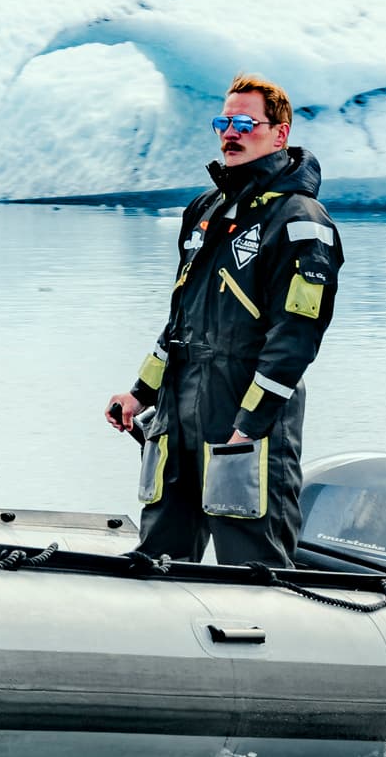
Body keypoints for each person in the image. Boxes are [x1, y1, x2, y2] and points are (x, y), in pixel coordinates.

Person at [105, 75, 342, 565]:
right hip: (178, 418)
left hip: (240, 424)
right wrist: (140, 393)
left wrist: (249, 426)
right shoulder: (205, 211)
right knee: (159, 560)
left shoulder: (302, 222)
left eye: (243, 123)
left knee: (251, 565)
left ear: (279, 134)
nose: (229, 134)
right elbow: (180, 321)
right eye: (222, 123)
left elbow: (295, 339)